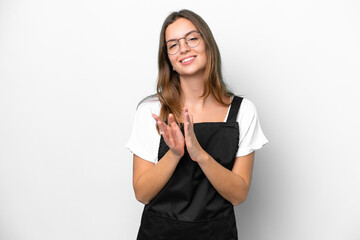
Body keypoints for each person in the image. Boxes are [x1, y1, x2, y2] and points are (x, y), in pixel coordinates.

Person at [125, 9, 268, 240]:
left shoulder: (242, 112)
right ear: (169, 61)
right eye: (173, 45)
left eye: (192, 38)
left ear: (208, 45)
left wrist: (200, 154)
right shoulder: (150, 111)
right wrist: (174, 154)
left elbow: (238, 194)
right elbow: (142, 193)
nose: (183, 48)